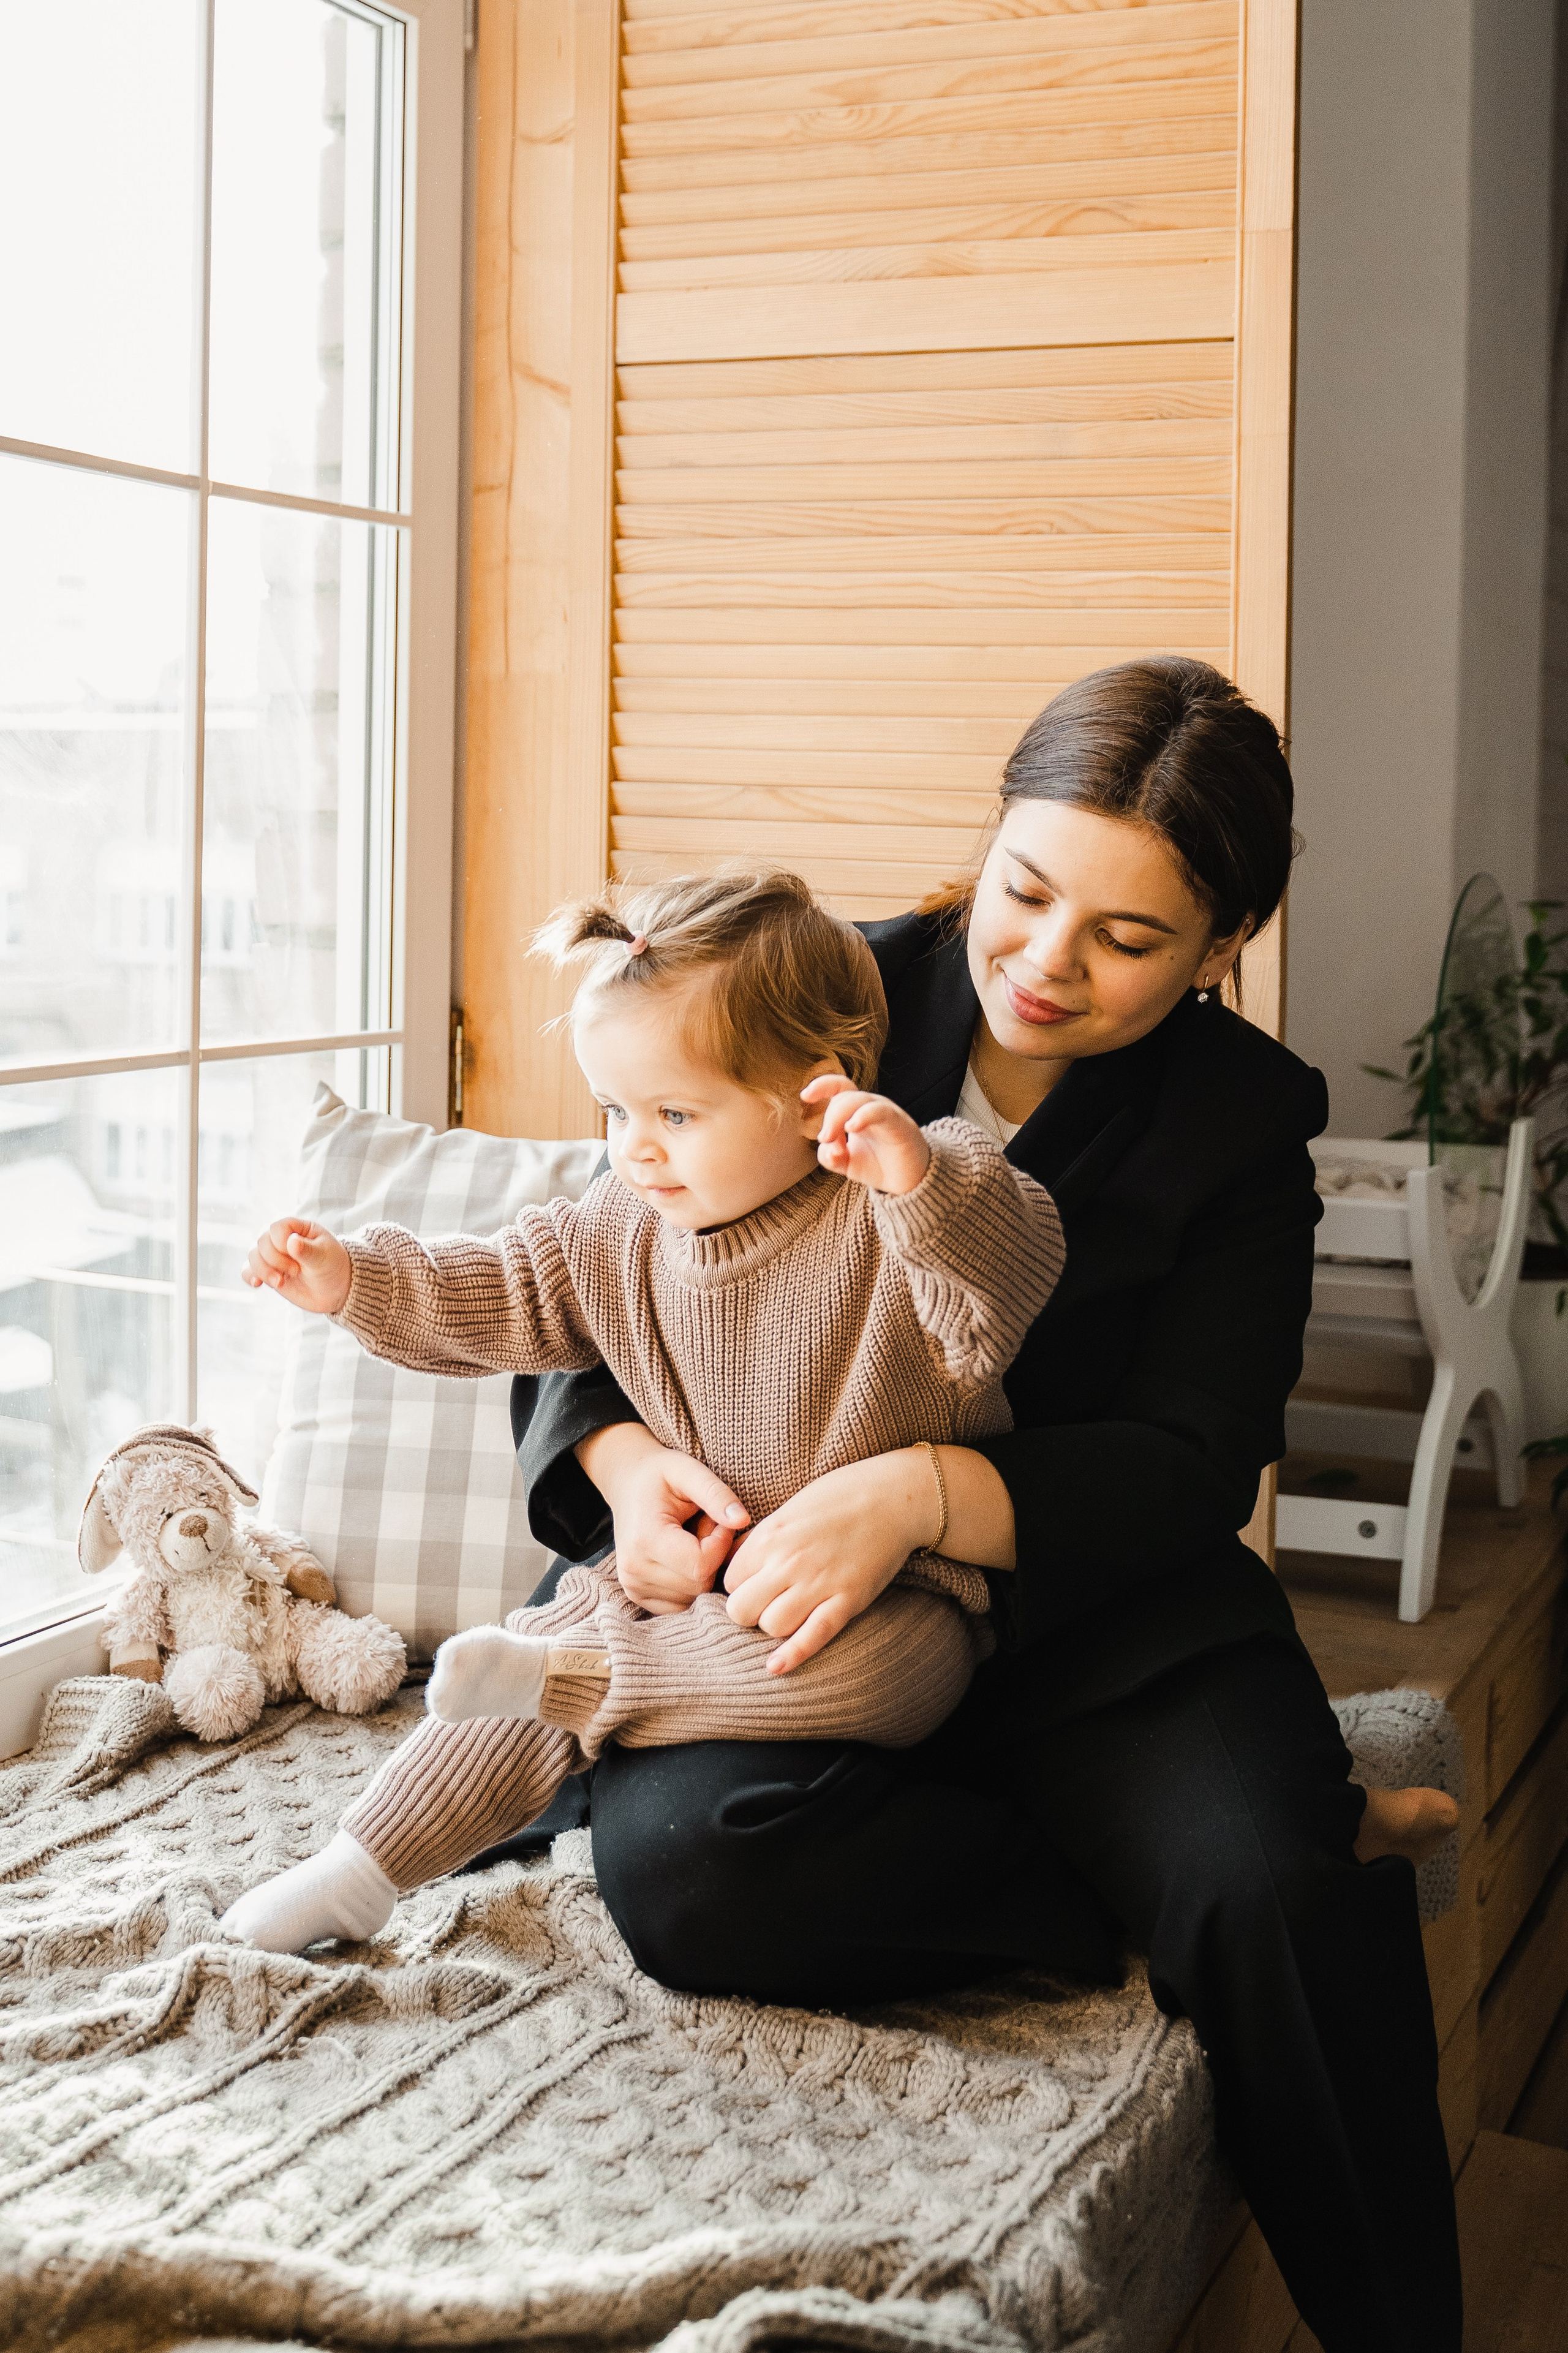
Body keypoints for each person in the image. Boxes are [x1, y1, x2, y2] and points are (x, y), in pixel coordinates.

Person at [514, 659, 1464, 2353]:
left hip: (1096, 1613)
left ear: (1225, 942)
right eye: (1023, 891)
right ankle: (1141, 1875)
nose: (1042, 962)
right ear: (991, 837)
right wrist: (618, 1469)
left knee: (1272, 1898)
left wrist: (925, 1491)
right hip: (783, 1624)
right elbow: (580, 1275)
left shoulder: (1245, 1120)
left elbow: (1199, 1451)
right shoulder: (803, 984)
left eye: (1128, 937)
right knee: (692, 1881)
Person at [219, 869, 1076, 1956]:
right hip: (686, 1582)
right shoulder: (624, 1224)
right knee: (538, 1647)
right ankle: (356, 1870)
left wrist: (916, 1178)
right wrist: (353, 1278)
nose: (635, 1146)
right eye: (615, 1111)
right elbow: (499, 1287)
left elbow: (1008, 1278)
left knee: (844, 1670)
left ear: (814, 1097)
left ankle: (584, 1686)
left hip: (890, 1600)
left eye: (674, 1113)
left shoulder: (895, 1210)